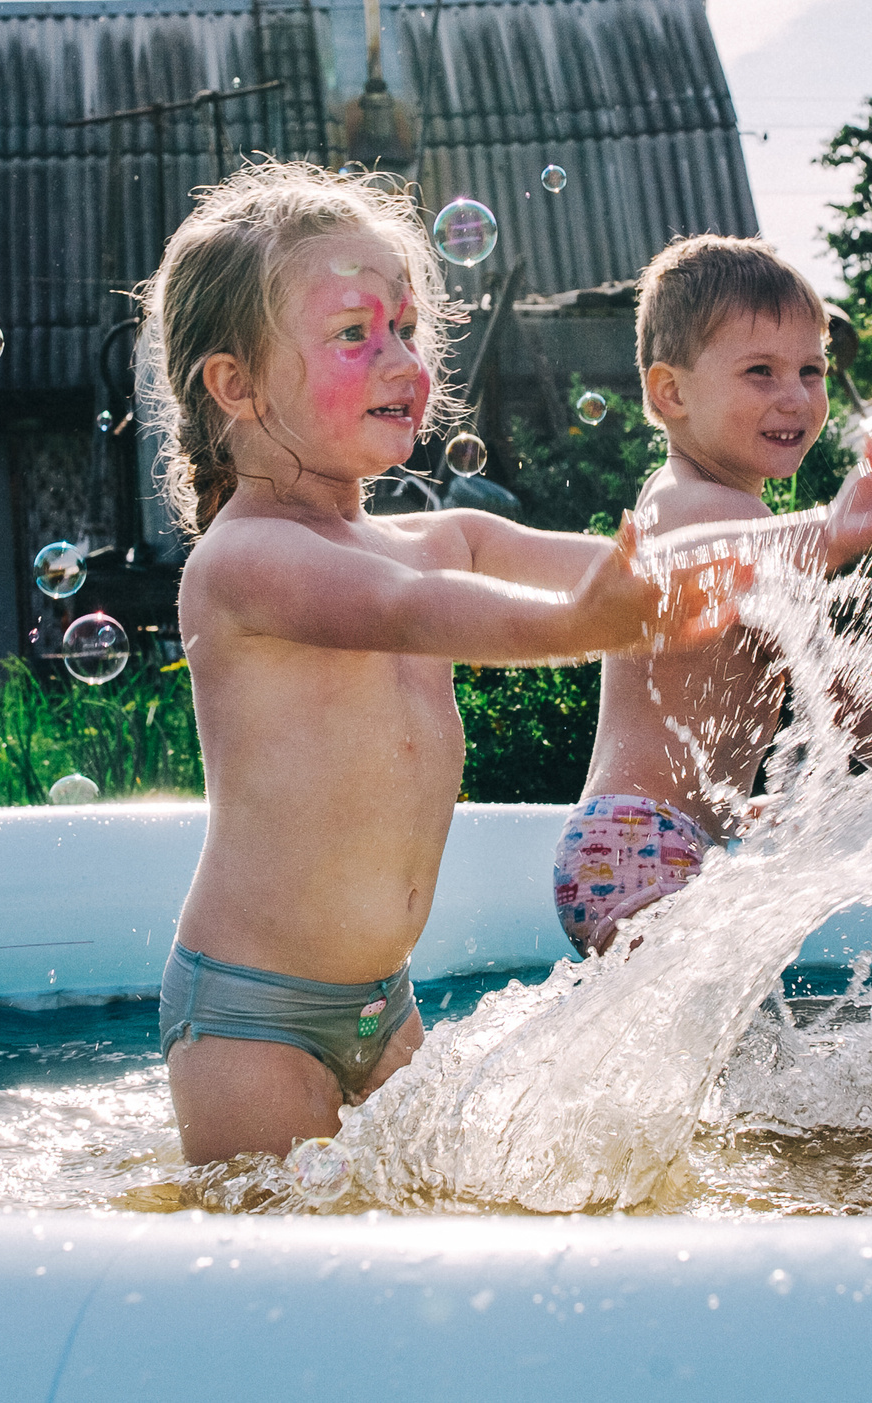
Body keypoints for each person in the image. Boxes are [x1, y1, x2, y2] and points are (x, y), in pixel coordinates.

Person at [145, 163, 752, 1166]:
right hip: (253, 1022)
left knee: (408, 1237)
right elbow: (422, 614)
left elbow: (667, 566)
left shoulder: (439, 535)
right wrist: (586, 620)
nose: (398, 359)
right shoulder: (247, 562)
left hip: (383, 1007)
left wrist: (824, 535)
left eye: (404, 330)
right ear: (235, 385)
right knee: (281, 1269)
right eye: (353, 334)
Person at [554, 235, 872, 956]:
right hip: (642, 845)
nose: (795, 397)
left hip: (633, 839)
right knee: (718, 1058)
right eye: (761, 371)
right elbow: (832, 674)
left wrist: (735, 811)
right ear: (672, 392)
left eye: (811, 371)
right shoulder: (709, 510)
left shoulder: (681, 499)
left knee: (702, 1063)